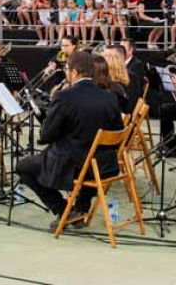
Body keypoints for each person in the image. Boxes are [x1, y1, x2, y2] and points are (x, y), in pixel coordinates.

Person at [15, 51, 124, 227]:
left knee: (23, 167)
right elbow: (119, 132)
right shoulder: (110, 97)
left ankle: (63, 210)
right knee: (89, 154)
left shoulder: (65, 96)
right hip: (104, 166)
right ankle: (80, 209)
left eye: (66, 69)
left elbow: (46, 135)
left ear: (74, 72)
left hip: (73, 166)